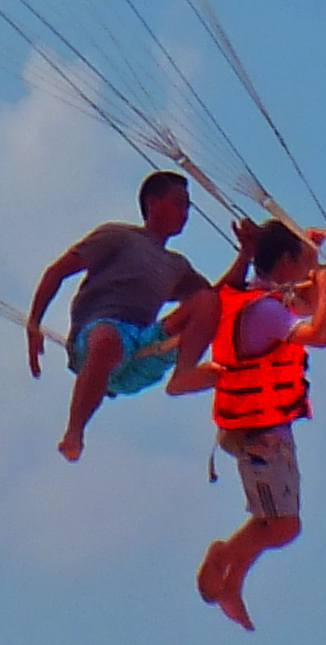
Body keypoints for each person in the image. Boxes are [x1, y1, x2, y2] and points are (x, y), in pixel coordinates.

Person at [168, 219, 326, 630]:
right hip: (259, 436)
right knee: (281, 525)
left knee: (275, 521)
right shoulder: (265, 310)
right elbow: (318, 332)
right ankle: (224, 558)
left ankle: (232, 584)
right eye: (302, 259)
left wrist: (310, 256)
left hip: (259, 429)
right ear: (284, 260)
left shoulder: (254, 297)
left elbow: (303, 304)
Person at [23, 171, 211, 462]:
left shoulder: (177, 266)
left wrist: (246, 256)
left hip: (142, 350)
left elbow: (215, 302)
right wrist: (34, 324)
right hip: (97, 338)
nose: (185, 213)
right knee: (109, 338)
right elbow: (57, 271)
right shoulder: (117, 237)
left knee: (209, 299)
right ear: (153, 203)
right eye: (178, 203)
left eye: (188, 207)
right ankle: (74, 431)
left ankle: (183, 373)